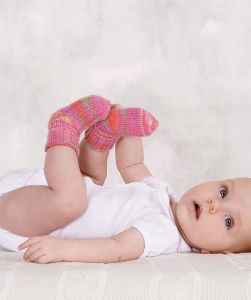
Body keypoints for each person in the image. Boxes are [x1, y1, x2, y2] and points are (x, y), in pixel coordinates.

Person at [0, 95, 251, 264]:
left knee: (72, 201)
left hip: (36, 222)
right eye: (223, 192)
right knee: (93, 180)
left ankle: (64, 128)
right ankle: (103, 135)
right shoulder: (166, 196)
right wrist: (126, 129)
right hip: (49, 187)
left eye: (228, 221)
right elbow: (132, 165)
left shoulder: (163, 235)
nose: (215, 204)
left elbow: (116, 248)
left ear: (217, 252)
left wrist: (63, 249)